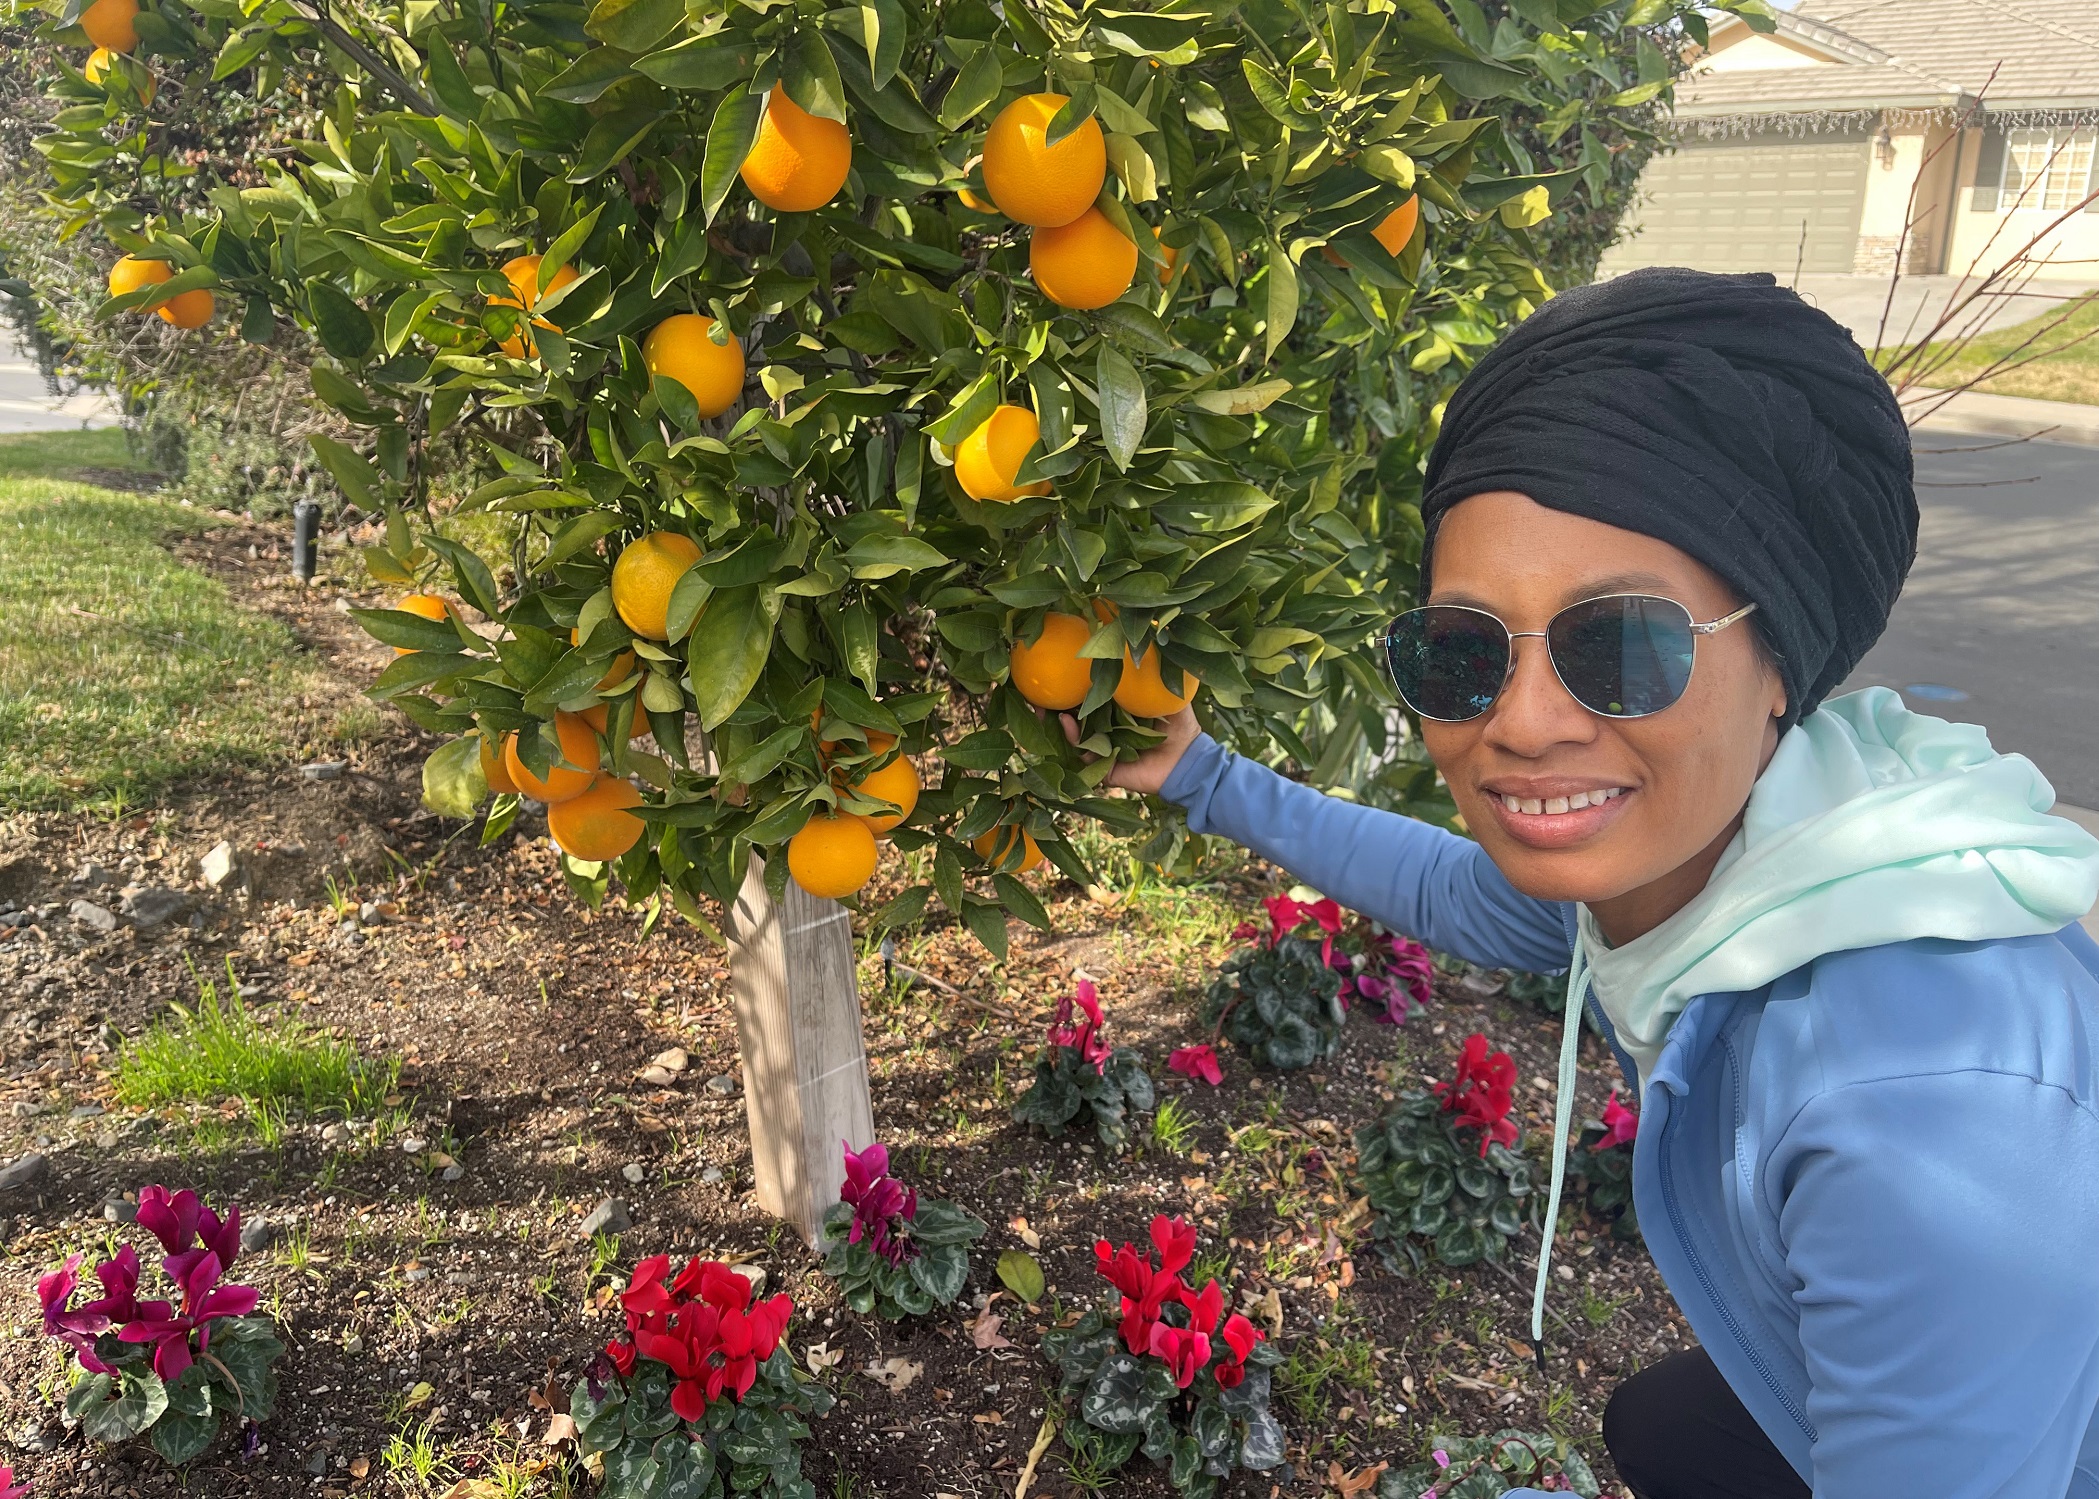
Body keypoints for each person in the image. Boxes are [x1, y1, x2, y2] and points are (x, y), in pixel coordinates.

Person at [1083, 269, 2099, 1498]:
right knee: (1661, 1425)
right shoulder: (1744, 841)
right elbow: (1463, 895)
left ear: (1777, 658)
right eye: (1457, 649)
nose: (1520, 724)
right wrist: (1199, 772)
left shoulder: (1919, 1120)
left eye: (1618, 643)